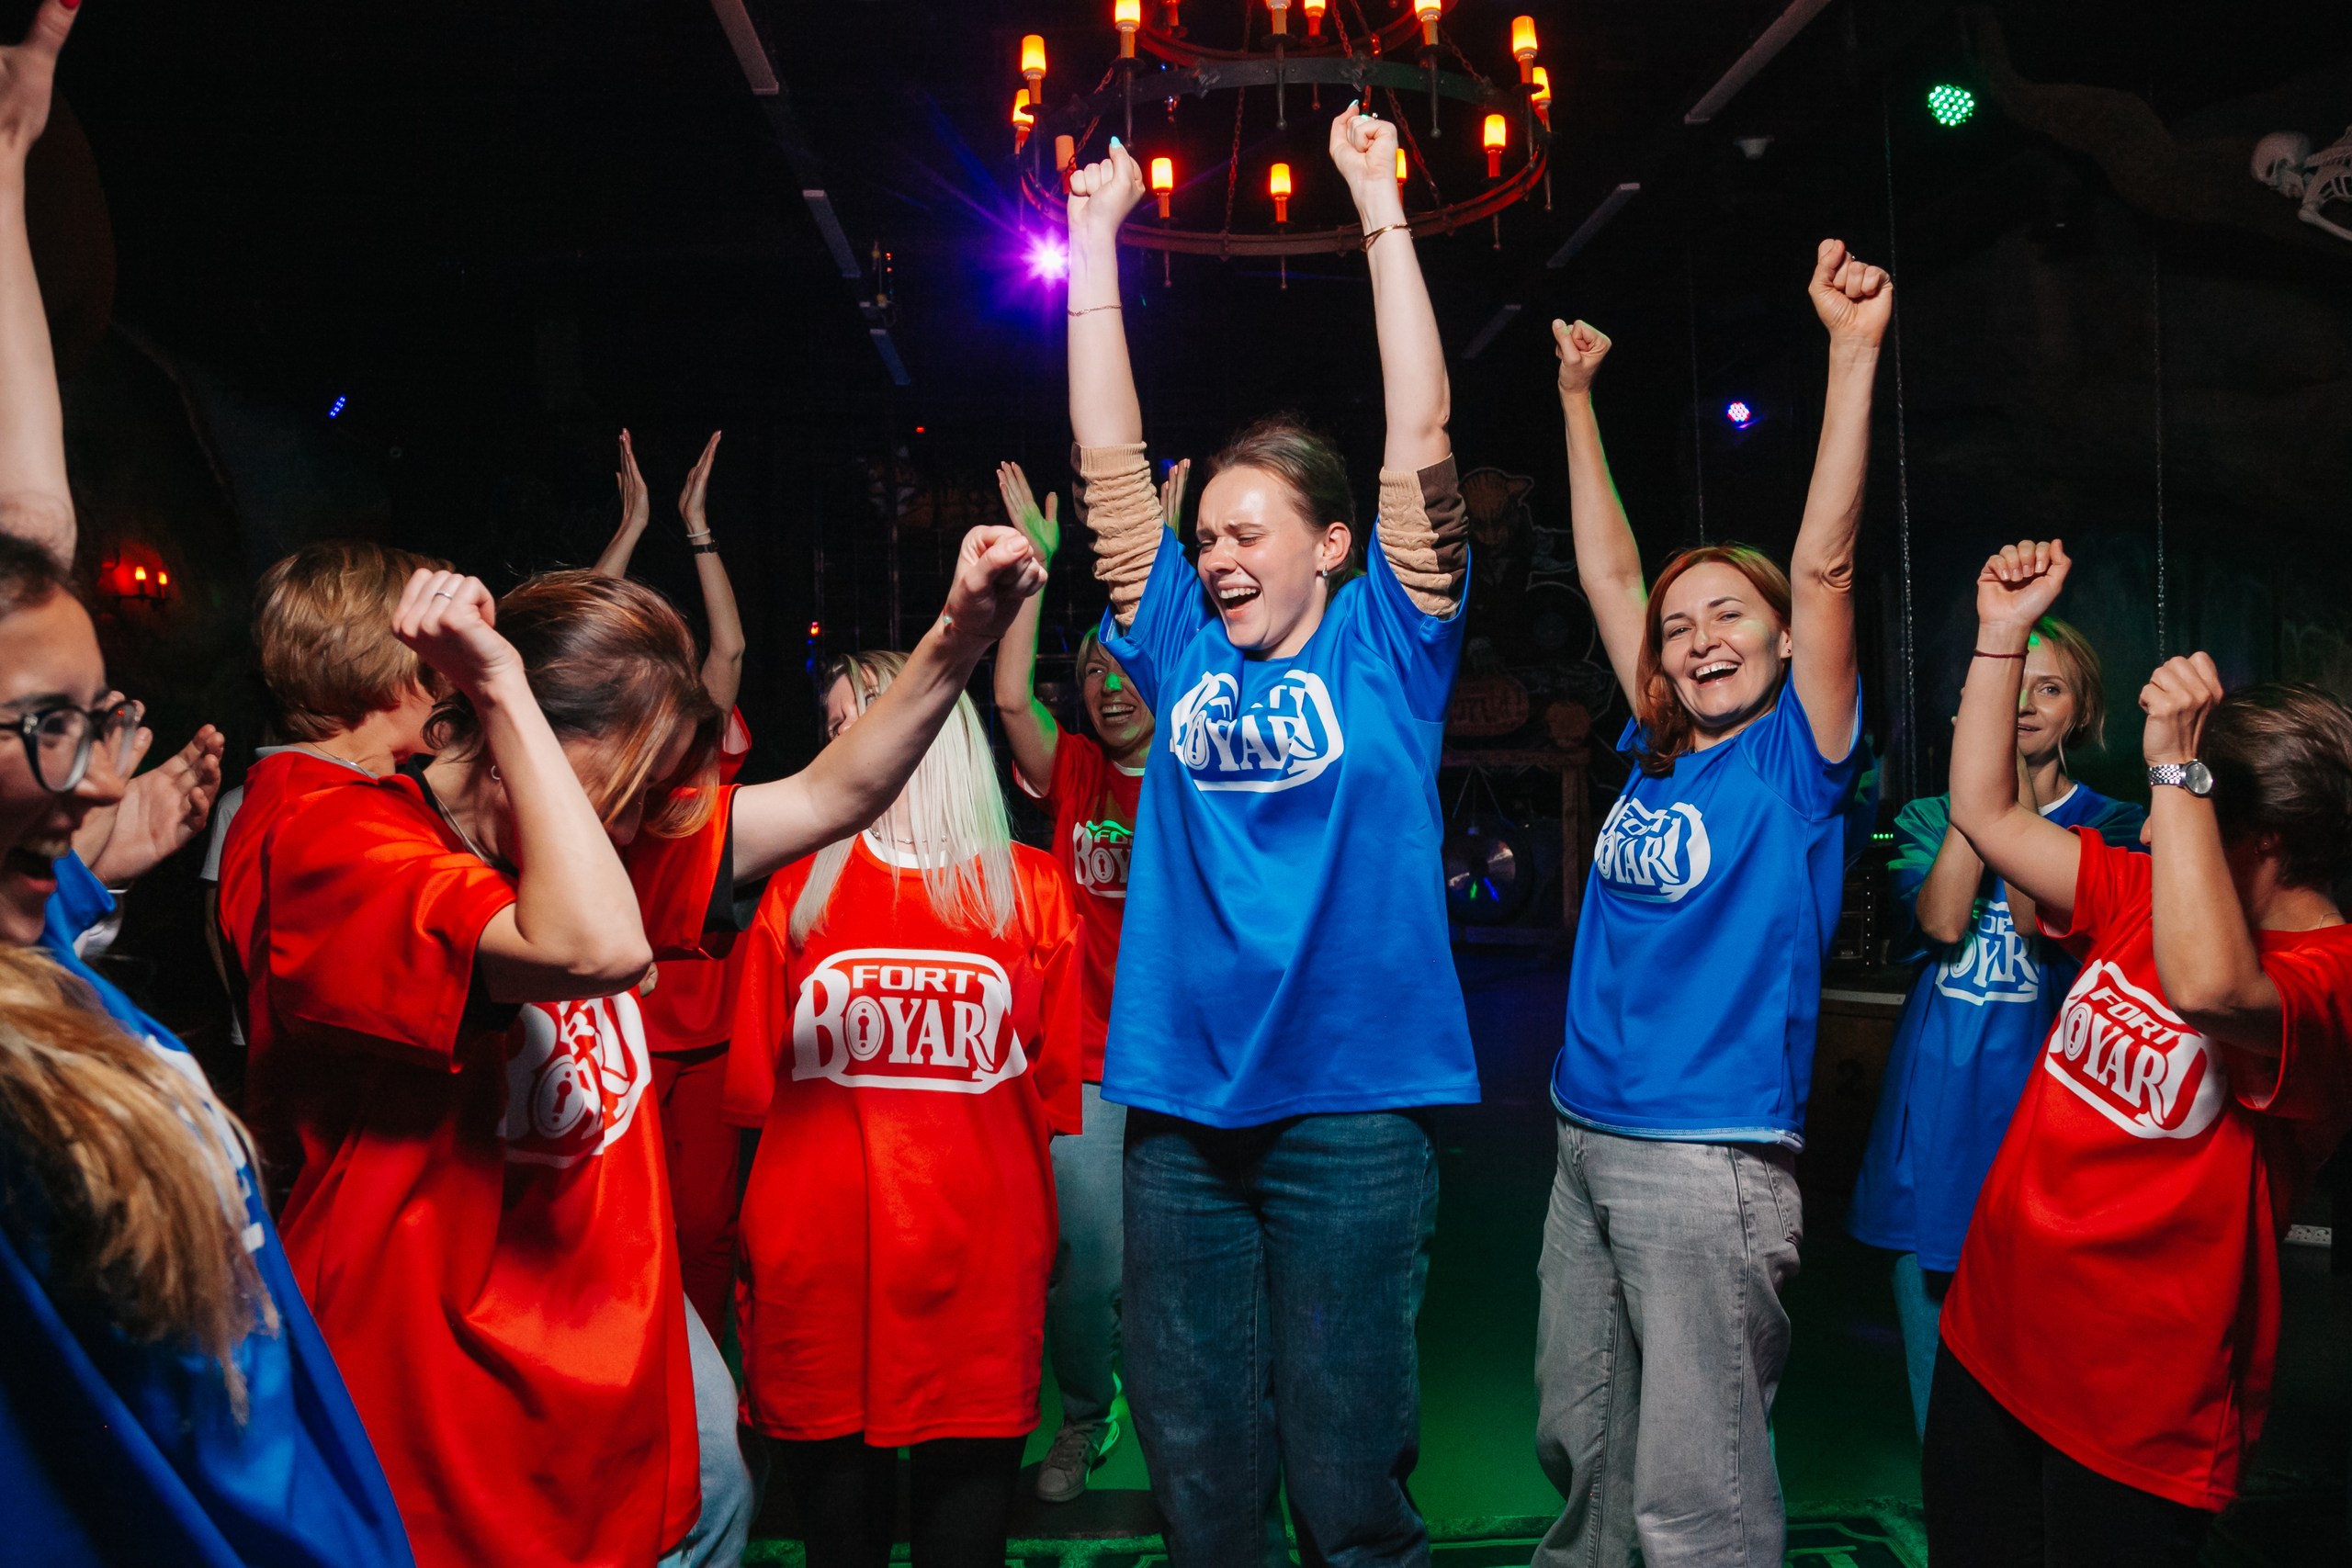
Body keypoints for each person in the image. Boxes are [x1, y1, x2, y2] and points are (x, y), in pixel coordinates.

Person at [247, 525, 1042, 1568]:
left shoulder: (585, 840)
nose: (631, 826)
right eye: (620, 788)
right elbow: (591, 946)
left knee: (713, 1507)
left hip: (599, 1360)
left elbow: (829, 796)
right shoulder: (340, 842)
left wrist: (959, 633)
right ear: (511, 730)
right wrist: (500, 686)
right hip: (433, 1402)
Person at [1061, 110, 1474, 1566]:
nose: (1220, 555)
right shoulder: (1178, 641)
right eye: (1211, 538)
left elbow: (1421, 437)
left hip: (1352, 1114)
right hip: (1181, 1113)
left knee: (1348, 1472)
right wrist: (1095, 243)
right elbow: (1111, 465)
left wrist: (1380, 204)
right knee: (1200, 1464)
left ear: (1333, 545)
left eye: (1252, 533)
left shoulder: (1389, 647)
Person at [1534, 241, 1891, 1568]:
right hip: (1584, 1135)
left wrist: (1850, 354)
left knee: (1696, 1505)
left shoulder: (1796, 762)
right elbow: (1609, 574)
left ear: (1785, 638)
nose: (1698, 638)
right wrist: (1575, 401)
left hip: (1708, 1158)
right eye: (1682, 626)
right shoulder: (1658, 745)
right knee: (1581, 1455)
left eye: (1730, 614)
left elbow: (1827, 566)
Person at [1925, 538, 2352, 1566]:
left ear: (2267, 839)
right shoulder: (2140, 898)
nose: (2154, 835)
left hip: (2136, 1407)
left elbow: (2212, 990)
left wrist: (2175, 771)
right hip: (1993, 1336)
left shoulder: (2331, 977)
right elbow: (1985, 813)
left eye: (2184, 811)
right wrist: (1999, 635)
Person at [0, 535, 413, 1566]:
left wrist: (82, 870)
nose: (104, 782)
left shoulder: (39, 956)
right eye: (48, 727)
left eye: (98, 722)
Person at [724, 649, 1083, 1568]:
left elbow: (1046, 1106)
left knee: (965, 1549)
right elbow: (757, 1102)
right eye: (835, 727)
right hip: (823, 1285)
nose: (849, 741)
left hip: (977, 1283)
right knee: (839, 1547)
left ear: (936, 726)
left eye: (870, 714)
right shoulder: (795, 891)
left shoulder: (1033, 891)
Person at [1846, 616, 2144, 1437]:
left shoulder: (2119, 826)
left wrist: (2002, 793)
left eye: (2047, 688)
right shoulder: (1923, 817)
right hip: (1934, 1138)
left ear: (2082, 711)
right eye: (2006, 687)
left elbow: (2031, 913)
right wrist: (1977, 786)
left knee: (2047, 1398)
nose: (2022, 704)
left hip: (2054, 1144)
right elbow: (1943, 919)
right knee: (1940, 1402)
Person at [989, 456, 1179, 1502]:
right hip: (1091, 1061)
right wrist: (1031, 575)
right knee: (1085, 1259)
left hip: (1189, 1062)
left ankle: (1186, 1424)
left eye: (1125, 668)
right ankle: (1084, 1415)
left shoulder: (1201, 772)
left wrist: (1167, 571)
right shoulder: (1073, 772)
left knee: (1183, 1259)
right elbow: (1008, 694)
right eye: (1094, 672)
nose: (1108, 685)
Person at [594, 426, 754, 1337]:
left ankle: (706, 1372)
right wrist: (628, 530)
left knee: (706, 1222)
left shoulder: (705, 762)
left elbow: (728, 648)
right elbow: (577, 649)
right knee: (620, 1210)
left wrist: (696, 527)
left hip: (711, 1020)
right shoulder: (605, 766)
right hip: (627, 1013)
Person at [201, 538, 447, 1134]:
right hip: (370, 1157)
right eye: (439, 653)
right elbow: (575, 947)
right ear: (388, 671)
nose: (452, 676)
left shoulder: (307, 787)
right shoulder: (337, 814)